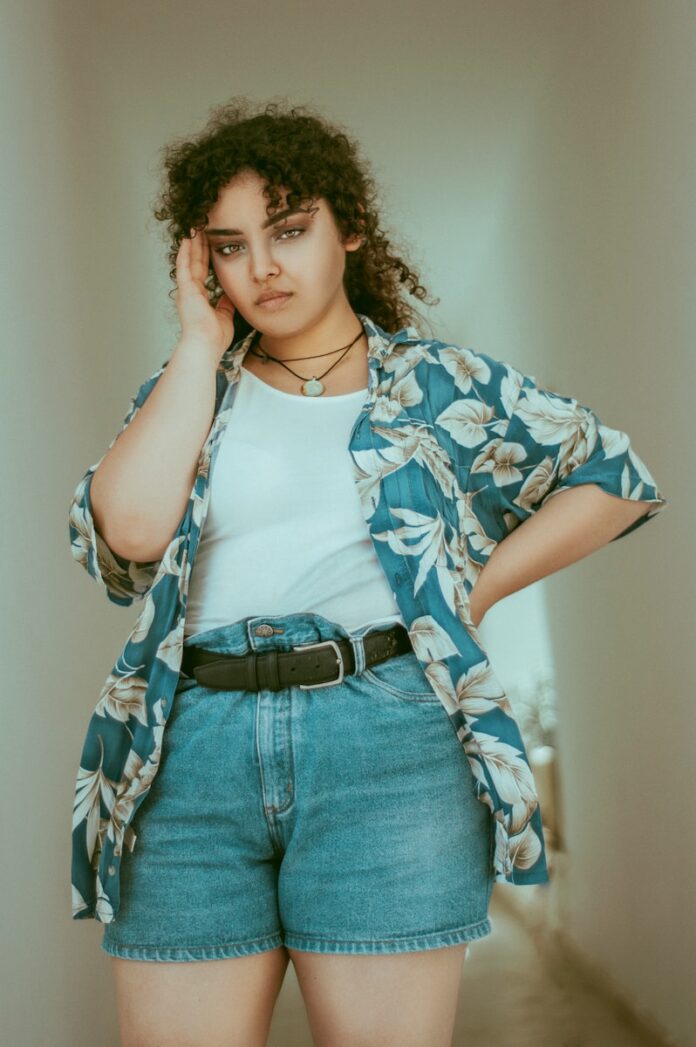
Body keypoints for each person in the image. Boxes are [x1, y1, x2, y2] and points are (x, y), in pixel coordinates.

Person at [67, 98, 668, 1047]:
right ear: (202, 262)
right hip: (191, 753)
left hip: (386, 740)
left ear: (348, 228)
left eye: (289, 230)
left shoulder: (439, 386)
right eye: (230, 246)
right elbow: (129, 534)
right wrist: (197, 343)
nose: (263, 267)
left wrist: (474, 590)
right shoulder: (190, 391)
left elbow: (615, 477)